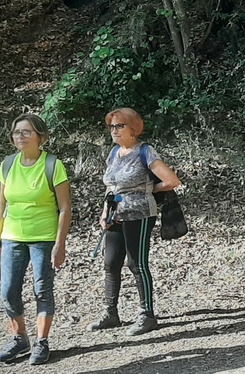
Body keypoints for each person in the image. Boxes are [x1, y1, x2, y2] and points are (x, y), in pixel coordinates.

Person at [87, 108, 180, 335]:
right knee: (110, 263)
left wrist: (147, 189)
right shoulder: (114, 153)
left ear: (133, 128)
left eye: (120, 126)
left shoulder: (145, 152)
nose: (115, 131)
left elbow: (171, 180)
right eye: (112, 126)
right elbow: (111, 187)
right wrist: (104, 212)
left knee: (136, 263)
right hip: (115, 214)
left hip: (140, 214)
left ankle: (147, 314)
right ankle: (111, 313)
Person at [0, 113, 72, 365]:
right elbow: (2, 204)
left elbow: (65, 207)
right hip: (12, 238)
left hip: (43, 238)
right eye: (17, 132)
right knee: (8, 291)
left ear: (41, 137)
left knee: (42, 289)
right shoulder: (7, 164)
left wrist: (60, 243)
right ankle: (19, 338)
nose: (20, 136)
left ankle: (41, 342)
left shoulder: (52, 165)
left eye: (26, 132)